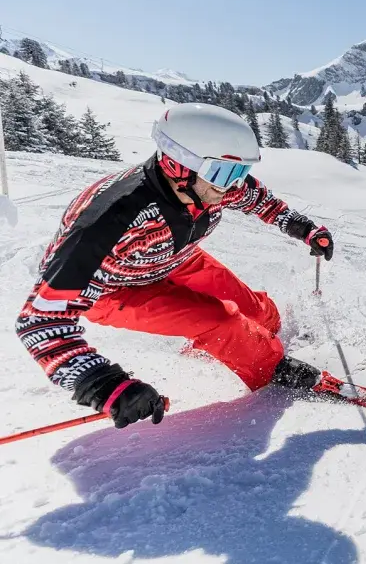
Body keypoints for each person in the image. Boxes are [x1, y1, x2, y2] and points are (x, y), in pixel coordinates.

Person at [14, 103, 334, 429]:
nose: (232, 186)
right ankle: (269, 366)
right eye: (224, 173)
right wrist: (101, 383)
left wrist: (302, 227)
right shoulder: (111, 219)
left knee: (259, 312)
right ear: (176, 163)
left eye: (240, 172)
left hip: (171, 259)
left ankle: (256, 338)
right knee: (220, 320)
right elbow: (39, 321)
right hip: (113, 289)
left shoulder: (213, 184)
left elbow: (258, 198)